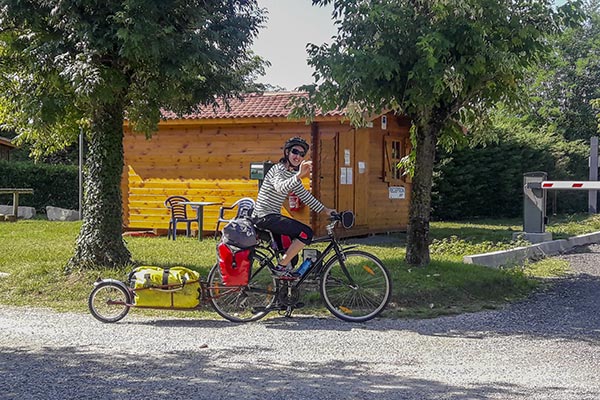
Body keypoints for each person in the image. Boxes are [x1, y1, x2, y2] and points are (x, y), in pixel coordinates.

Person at [252, 136, 336, 276]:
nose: (298, 156)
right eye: (295, 152)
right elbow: (280, 187)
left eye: (302, 154)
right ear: (287, 152)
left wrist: (326, 210)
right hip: (264, 216)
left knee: (291, 255)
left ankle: (284, 287)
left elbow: (306, 196)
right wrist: (298, 175)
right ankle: (280, 268)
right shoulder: (277, 170)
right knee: (306, 233)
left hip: (272, 216)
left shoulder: (291, 174)